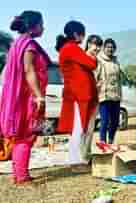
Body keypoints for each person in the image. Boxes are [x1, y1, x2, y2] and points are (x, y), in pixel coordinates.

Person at [0, 10, 51, 184]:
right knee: (26, 134)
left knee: (20, 134)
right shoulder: (28, 45)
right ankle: (21, 176)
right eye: (41, 24)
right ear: (33, 26)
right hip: (27, 97)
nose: (43, 28)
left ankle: (19, 173)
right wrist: (39, 96)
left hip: (20, 96)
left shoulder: (17, 43)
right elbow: (29, 71)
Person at [55, 21, 98, 166]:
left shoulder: (70, 49)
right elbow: (92, 64)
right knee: (78, 129)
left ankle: (81, 158)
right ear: (75, 34)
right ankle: (75, 160)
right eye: (82, 33)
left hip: (80, 94)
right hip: (77, 95)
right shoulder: (71, 48)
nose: (84, 36)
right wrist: (92, 53)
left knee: (80, 128)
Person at [94, 38, 123, 145]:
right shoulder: (99, 60)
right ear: (104, 48)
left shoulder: (116, 62)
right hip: (104, 96)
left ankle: (110, 142)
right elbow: (95, 77)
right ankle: (102, 143)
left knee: (115, 122)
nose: (110, 49)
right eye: (108, 47)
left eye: (112, 47)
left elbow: (119, 79)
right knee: (104, 121)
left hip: (115, 96)